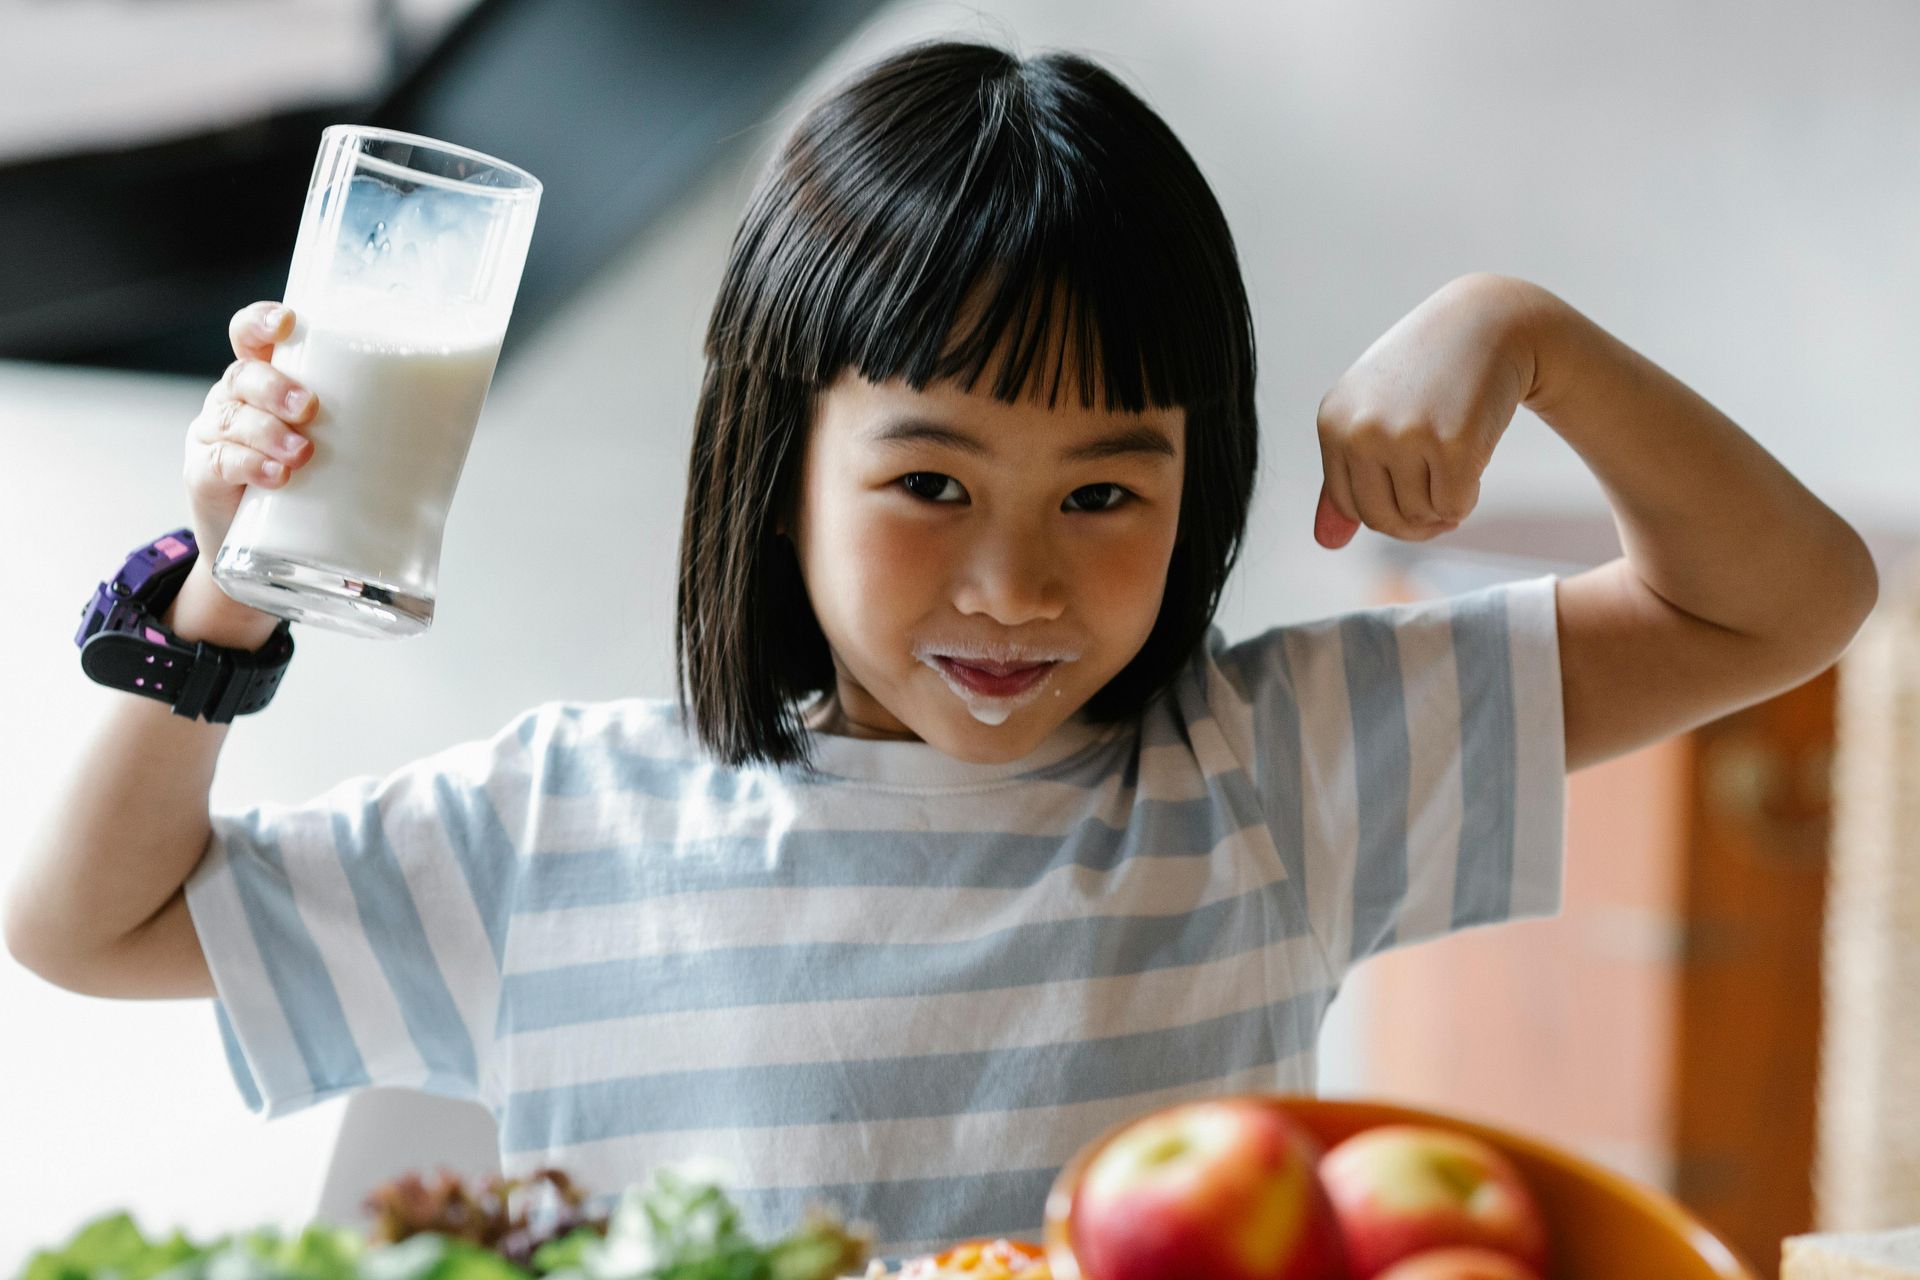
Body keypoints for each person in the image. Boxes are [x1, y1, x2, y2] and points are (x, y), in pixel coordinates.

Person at [5, 37, 1878, 1265]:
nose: (1013, 588)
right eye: (928, 481)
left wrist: (1523, 329)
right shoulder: (563, 816)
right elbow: (88, 925)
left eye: (1102, 497)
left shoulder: (1276, 765)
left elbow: (1785, 601)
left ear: (1200, 487)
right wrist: (229, 589)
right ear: (776, 460)